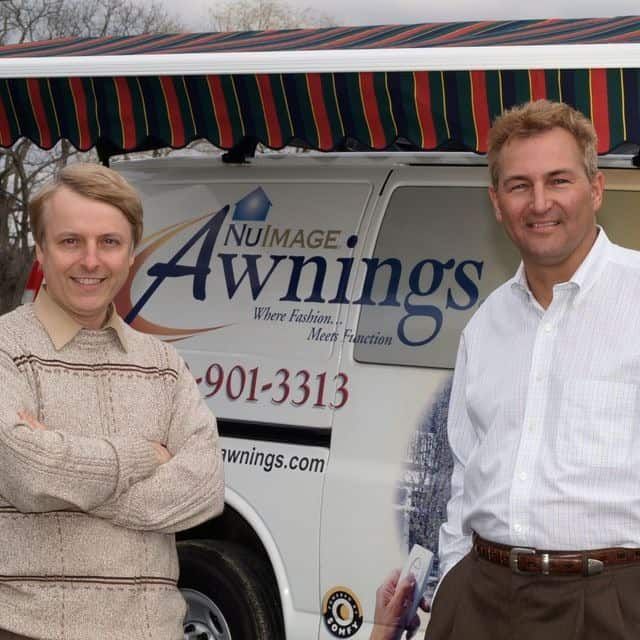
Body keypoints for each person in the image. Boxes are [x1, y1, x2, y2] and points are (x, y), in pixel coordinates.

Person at [373, 98, 640, 640]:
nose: (539, 202)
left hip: (611, 603)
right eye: (519, 185)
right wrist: (451, 582)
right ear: (497, 202)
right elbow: (466, 474)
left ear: (596, 188)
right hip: (482, 600)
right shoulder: (485, 324)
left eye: (558, 180)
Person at [0, 163, 224, 640]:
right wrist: (146, 455)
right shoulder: (6, 349)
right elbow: (31, 476)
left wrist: (73, 475)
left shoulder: (163, 363)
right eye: (70, 241)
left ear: (130, 255)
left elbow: (205, 489)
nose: (91, 260)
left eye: (109, 242)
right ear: (41, 249)